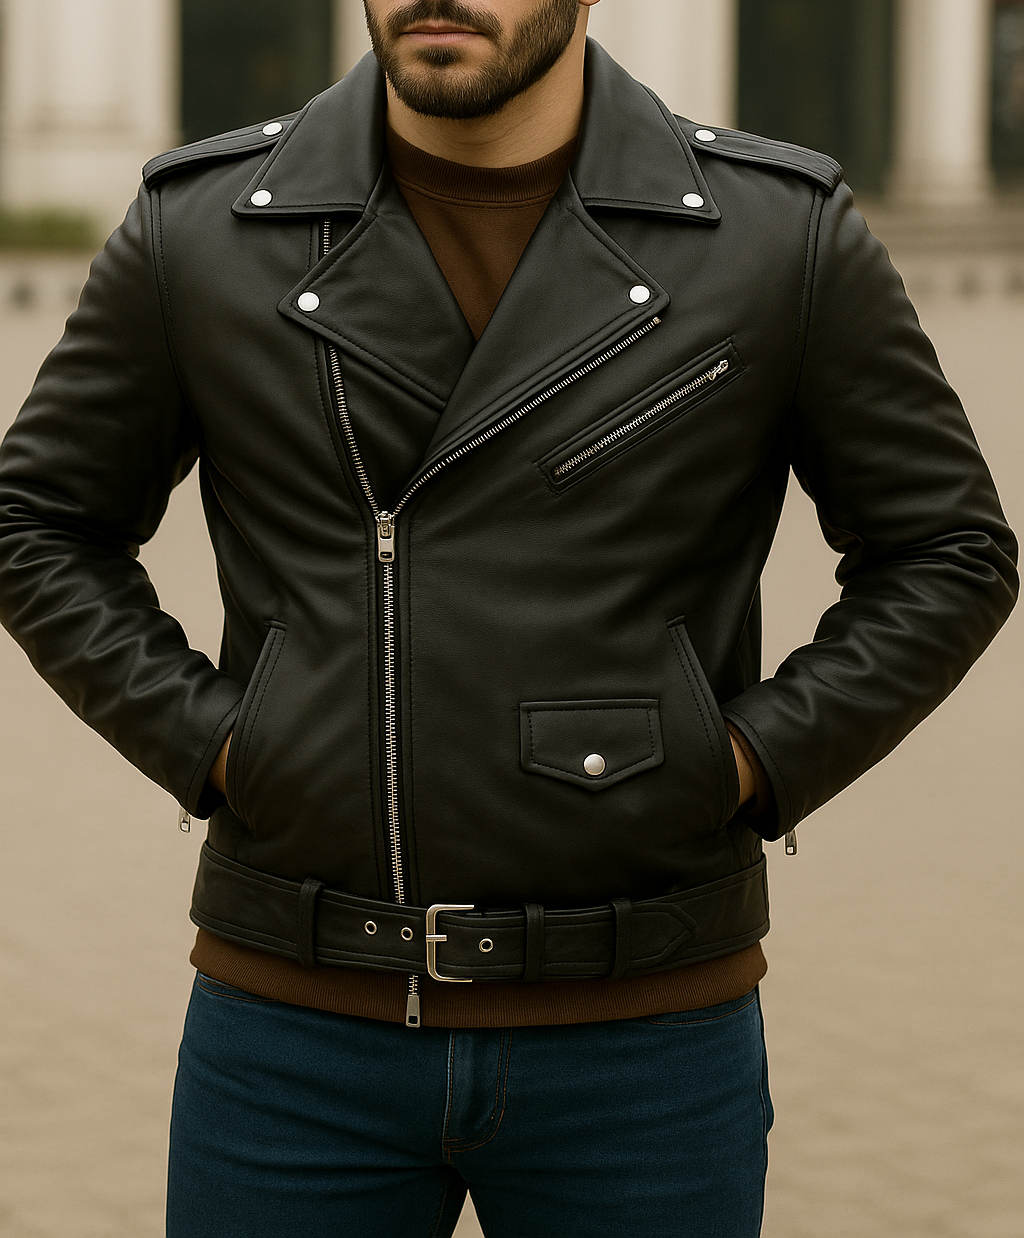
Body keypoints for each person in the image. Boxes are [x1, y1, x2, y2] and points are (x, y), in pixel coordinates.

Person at [0, 1, 1016, 1234]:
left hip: (644, 1030)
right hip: (292, 1029)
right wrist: (223, 740)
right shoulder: (203, 226)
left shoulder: (773, 231)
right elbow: (38, 520)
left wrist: (746, 759)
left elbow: (945, 548)